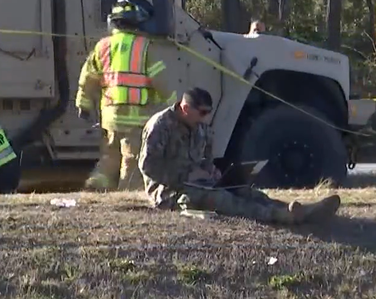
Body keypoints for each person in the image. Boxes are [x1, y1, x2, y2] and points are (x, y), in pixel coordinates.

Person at [139, 88, 341, 225]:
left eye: (208, 113)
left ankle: (301, 210)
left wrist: (212, 171)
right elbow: (148, 166)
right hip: (169, 192)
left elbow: (205, 159)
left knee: (244, 191)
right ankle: (281, 216)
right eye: (201, 113)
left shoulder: (201, 127)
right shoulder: (160, 126)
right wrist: (185, 176)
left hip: (200, 182)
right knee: (221, 199)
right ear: (185, 108)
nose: (205, 117)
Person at [75, 0, 172, 191]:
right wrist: (174, 106)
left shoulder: (102, 46)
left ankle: (95, 188)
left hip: (110, 118)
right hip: (135, 120)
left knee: (109, 158)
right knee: (132, 161)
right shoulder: (144, 47)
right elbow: (160, 81)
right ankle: (127, 196)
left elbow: (88, 77)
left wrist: (83, 103)